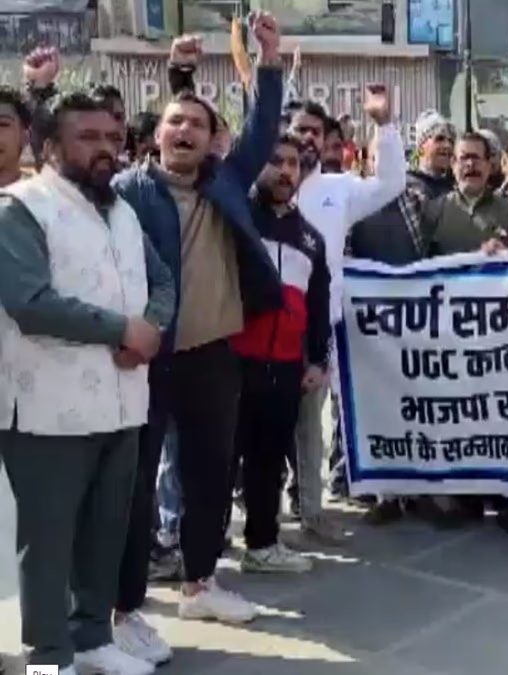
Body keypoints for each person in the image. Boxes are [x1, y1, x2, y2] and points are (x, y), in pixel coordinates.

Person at [113, 16, 285, 636]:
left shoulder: (228, 182)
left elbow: (265, 127)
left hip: (214, 355)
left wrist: (269, 58)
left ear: (216, 142)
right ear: (155, 135)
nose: (184, 129)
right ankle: (124, 607)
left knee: (211, 475)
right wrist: (176, 74)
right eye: (174, 121)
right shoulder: (125, 191)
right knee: (134, 484)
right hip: (147, 358)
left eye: (198, 124)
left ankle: (200, 583)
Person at [0, 89, 175, 675]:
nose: (105, 148)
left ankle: (94, 638)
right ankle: (49, 658)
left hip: (124, 404)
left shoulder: (121, 209)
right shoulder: (19, 207)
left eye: (111, 137)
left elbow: (162, 279)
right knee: (49, 543)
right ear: (50, 146)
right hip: (49, 408)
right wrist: (121, 330)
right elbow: (30, 302)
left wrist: (150, 327)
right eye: (87, 138)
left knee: (105, 532)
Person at [291, 86, 408, 539]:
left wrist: (384, 126)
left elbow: (391, 184)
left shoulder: (338, 190)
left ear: (325, 141)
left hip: (321, 325)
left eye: (314, 133)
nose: (305, 139)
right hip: (264, 326)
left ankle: (312, 511)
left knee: (310, 426)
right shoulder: (262, 183)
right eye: (299, 129)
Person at [232, 132, 331, 573]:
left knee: (268, 462)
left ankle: (262, 544)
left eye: (293, 163)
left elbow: (318, 303)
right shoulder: (235, 216)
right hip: (232, 362)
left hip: (286, 367)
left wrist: (316, 360)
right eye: (276, 161)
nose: (286, 170)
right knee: (217, 461)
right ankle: (200, 551)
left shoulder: (309, 237)